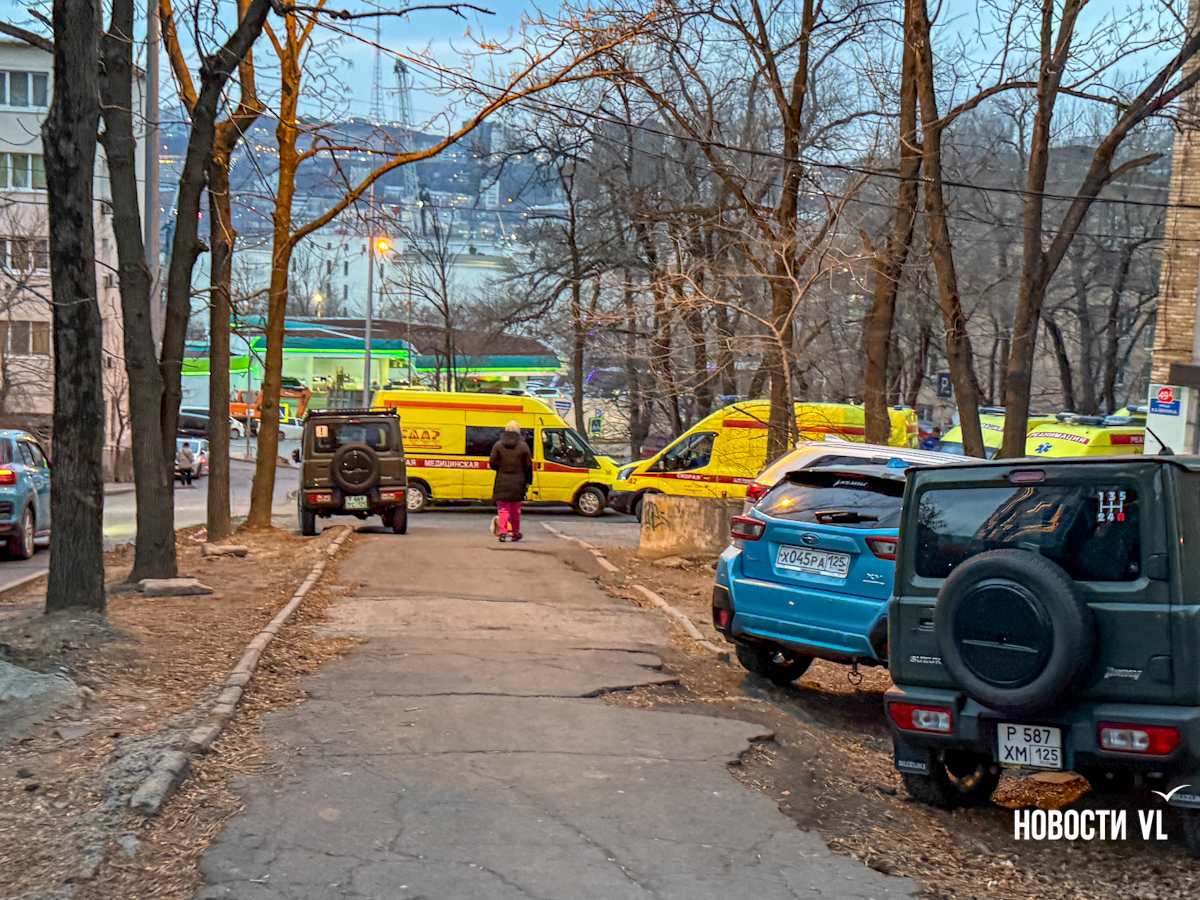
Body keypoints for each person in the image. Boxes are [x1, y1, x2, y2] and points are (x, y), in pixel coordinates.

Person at [489, 420, 532, 542]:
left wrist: (501, 468)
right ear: (518, 432)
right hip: (518, 482)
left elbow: (493, 463)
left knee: (503, 509)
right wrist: (529, 481)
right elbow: (528, 466)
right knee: (515, 510)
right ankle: (515, 533)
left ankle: (503, 532)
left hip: (502, 481)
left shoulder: (498, 445)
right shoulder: (523, 446)